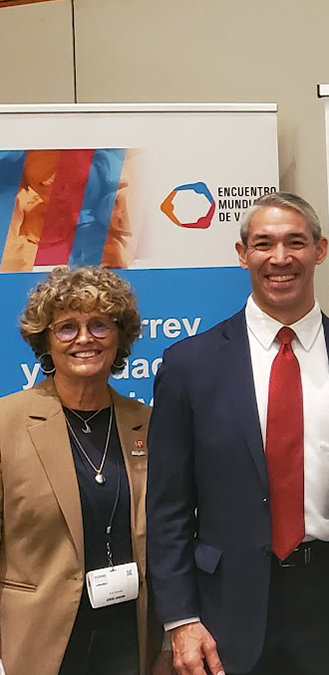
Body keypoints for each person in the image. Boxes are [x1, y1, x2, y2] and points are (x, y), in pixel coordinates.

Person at [147, 192, 329, 675]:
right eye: (264, 243)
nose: (280, 258)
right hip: (225, 608)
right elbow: (168, 508)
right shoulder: (190, 365)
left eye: (296, 242)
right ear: (243, 253)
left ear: (320, 250)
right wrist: (181, 620)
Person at [0, 266, 169, 674]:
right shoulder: (7, 422)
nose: (84, 339)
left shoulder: (148, 424)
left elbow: (172, 536)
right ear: (45, 339)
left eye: (99, 324)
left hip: (131, 637)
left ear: (119, 336)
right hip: (38, 638)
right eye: (66, 328)